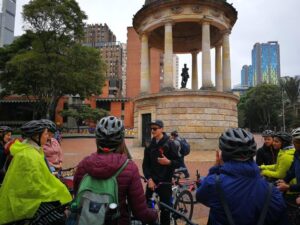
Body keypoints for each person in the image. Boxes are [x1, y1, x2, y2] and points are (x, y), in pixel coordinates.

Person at [73, 116, 157, 225]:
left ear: (97, 140)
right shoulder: (129, 168)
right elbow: (140, 212)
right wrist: (154, 214)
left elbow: (77, 196)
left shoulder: (83, 165)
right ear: (122, 141)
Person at [196, 128, 288, 225]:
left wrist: (215, 168)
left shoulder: (213, 183)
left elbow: (201, 196)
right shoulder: (273, 192)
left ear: (221, 155)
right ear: (252, 154)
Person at [0, 120, 72, 224]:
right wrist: (59, 190)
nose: (48, 137)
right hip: (25, 202)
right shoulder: (29, 155)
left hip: (23, 198)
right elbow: (35, 186)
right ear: (36, 136)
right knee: (58, 219)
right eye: (46, 133)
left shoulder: (29, 150)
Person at [143, 119, 181, 225]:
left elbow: (178, 162)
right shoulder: (149, 144)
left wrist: (168, 162)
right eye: (151, 129)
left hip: (165, 182)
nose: (152, 131)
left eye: (155, 129)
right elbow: (145, 165)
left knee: (165, 212)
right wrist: (149, 179)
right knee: (147, 208)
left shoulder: (170, 143)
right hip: (151, 182)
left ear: (161, 129)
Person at [277, 128, 300, 224]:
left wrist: (288, 187)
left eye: (297, 142)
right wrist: (284, 180)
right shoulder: (297, 153)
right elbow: (292, 171)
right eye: (294, 141)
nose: (294, 144)